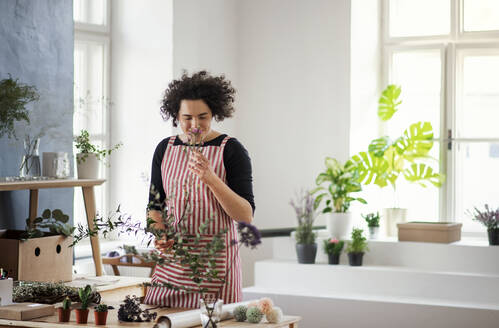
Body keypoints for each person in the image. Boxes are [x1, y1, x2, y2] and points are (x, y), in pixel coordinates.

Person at [143, 71, 255, 308]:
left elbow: (245, 215)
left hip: (216, 267)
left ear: (214, 112)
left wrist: (211, 178)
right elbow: (154, 207)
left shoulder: (231, 150)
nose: (195, 126)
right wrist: (160, 233)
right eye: (187, 118)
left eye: (202, 117)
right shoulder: (165, 148)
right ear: (176, 116)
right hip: (174, 265)